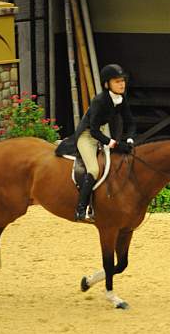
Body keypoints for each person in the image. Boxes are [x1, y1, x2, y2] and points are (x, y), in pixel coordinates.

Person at [57, 64, 135, 221]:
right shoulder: (100, 101)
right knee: (93, 169)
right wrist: (115, 144)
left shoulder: (121, 98)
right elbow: (94, 131)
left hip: (103, 133)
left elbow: (130, 122)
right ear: (107, 84)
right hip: (87, 136)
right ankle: (81, 208)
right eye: (117, 81)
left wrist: (129, 139)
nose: (122, 84)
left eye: (123, 81)